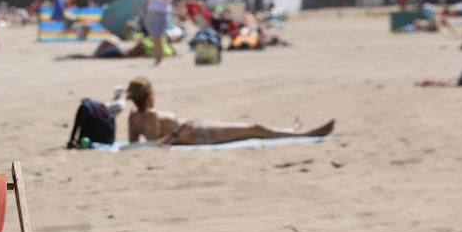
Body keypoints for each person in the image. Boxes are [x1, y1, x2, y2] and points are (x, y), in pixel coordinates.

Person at [126, 77, 334, 145]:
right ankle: (304, 135)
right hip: (198, 132)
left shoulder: (133, 117)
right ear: (149, 96)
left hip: (195, 130)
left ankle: (291, 131)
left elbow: (134, 145)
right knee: (255, 129)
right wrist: (175, 134)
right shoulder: (151, 115)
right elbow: (154, 146)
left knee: (255, 129)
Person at [144, 0, 176, 65]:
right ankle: (157, 57)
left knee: (159, 36)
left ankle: (159, 58)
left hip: (162, 13)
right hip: (151, 13)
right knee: (154, 37)